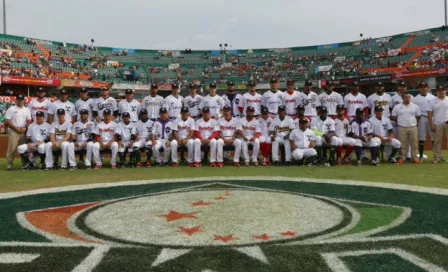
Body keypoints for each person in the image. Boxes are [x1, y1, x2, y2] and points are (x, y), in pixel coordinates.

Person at [391, 93, 421, 164]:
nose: (407, 98)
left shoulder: (415, 106)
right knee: (402, 143)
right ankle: (402, 158)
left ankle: (415, 158)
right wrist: (400, 121)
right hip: (401, 127)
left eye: (409, 97)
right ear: (402, 98)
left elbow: (418, 116)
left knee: (414, 143)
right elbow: (393, 116)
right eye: (406, 97)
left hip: (413, 127)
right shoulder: (397, 107)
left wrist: (412, 121)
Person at [5, 94, 32, 170]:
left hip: (23, 131)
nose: (20, 101)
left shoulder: (26, 109)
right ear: (16, 100)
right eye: (18, 99)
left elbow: (29, 120)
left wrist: (25, 127)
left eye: (21, 99)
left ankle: (24, 163)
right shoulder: (11, 109)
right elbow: (8, 120)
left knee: (23, 148)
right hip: (14, 130)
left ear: (24, 100)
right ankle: (9, 163)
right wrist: (16, 128)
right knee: (12, 148)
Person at [412, 81, 435, 161]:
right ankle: (421, 155)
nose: (423, 88)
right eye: (422, 87)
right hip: (421, 118)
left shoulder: (432, 97)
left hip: (431, 117)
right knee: (422, 137)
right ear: (419, 88)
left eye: (425, 87)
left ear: (427, 88)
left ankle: (437, 155)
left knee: (434, 137)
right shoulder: (415, 99)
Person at [427, 85, 448, 163]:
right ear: (437, 92)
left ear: (445, 91)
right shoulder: (432, 101)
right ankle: (437, 158)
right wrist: (431, 125)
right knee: (437, 141)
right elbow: (429, 114)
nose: (441, 92)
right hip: (437, 123)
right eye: (439, 90)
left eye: (443, 90)